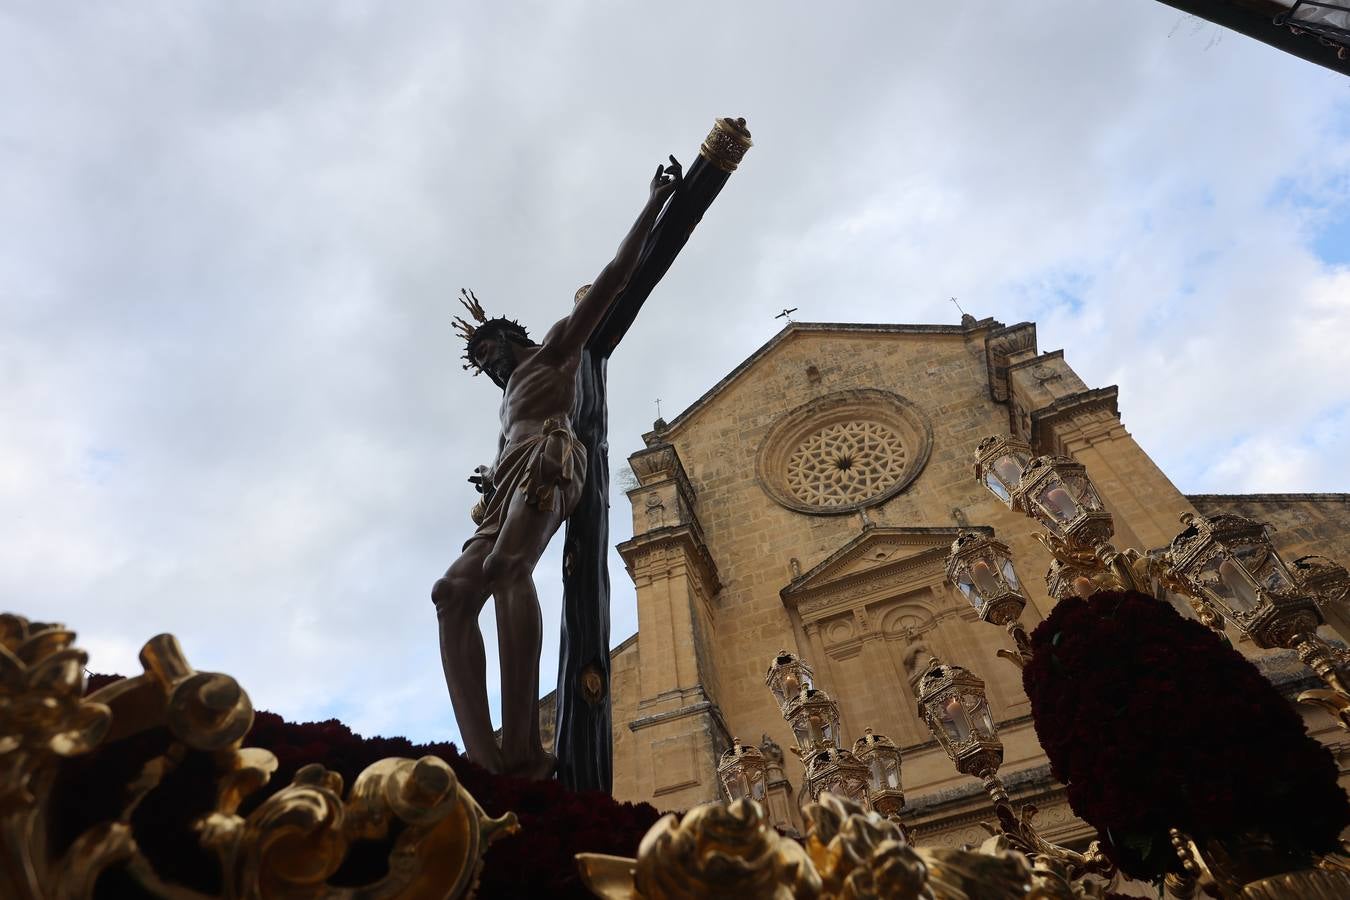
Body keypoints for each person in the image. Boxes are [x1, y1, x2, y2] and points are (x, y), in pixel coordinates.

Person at [434, 157, 681, 778]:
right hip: (506, 481)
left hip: (552, 457)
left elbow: (617, 275)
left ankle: (523, 747)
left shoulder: (555, 352)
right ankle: (485, 755)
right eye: (479, 362)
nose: (488, 366)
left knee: (507, 567)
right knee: (453, 592)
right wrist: (489, 481)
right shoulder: (506, 398)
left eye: (488, 349)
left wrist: (653, 203)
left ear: (510, 333)